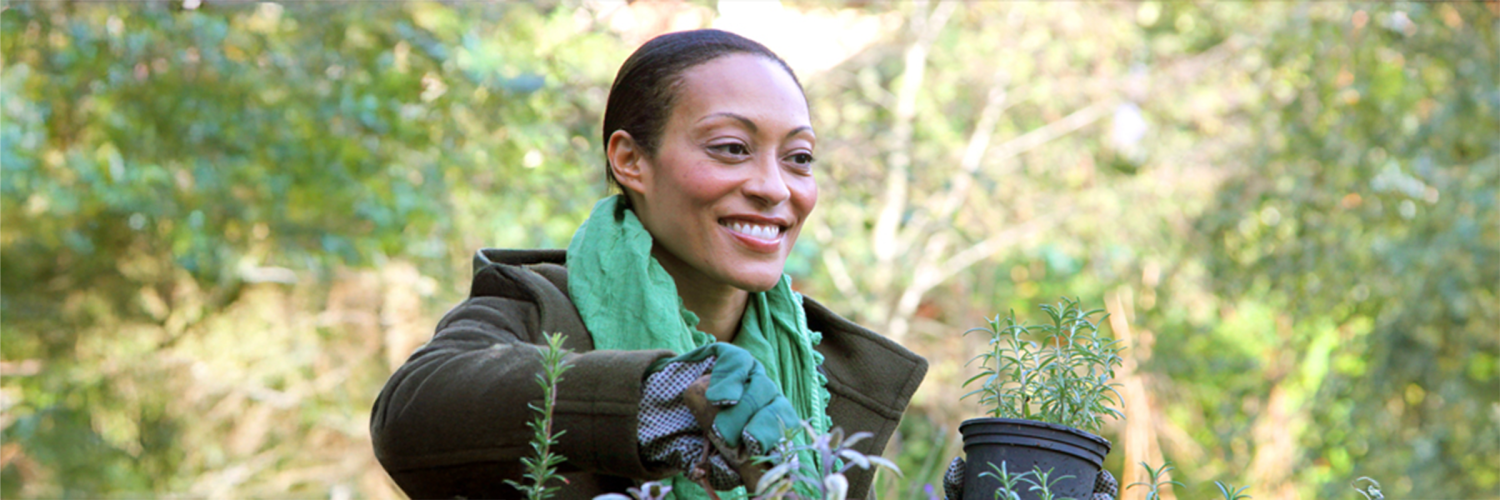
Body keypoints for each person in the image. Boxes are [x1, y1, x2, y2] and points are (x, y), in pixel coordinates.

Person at [369, 29, 928, 500]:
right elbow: (411, 415)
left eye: (799, 158)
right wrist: (661, 395)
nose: (773, 187)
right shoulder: (537, 306)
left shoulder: (827, 375)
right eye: (731, 148)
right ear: (631, 160)